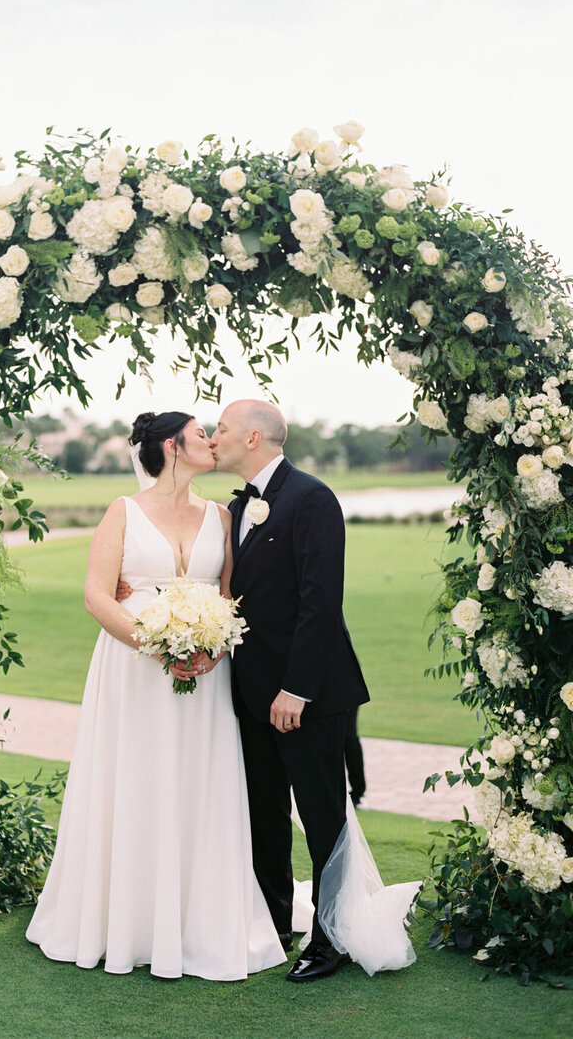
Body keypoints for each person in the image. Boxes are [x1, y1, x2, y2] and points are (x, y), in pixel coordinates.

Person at [26, 411, 286, 980]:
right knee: (134, 779)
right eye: (200, 434)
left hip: (207, 674)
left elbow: (228, 595)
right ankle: (127, 921)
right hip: (133, 670)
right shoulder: (122, 512)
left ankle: (198, 920)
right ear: (171, 446)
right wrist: (158, 646)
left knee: (197, 781)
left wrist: (212, 650)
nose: (212, 442)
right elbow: (98, 597)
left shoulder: (223, 515)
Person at [210, 399, 371, 982]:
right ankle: (275, 925)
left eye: (223, 429)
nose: (215, 437)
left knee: (323, 815)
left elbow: (320, 601)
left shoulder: (312, 498)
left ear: (254, 438)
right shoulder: (237, 505)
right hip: (251, 694)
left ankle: (334, 937)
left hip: (309, 695)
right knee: (264, 815)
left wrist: (296, 690)